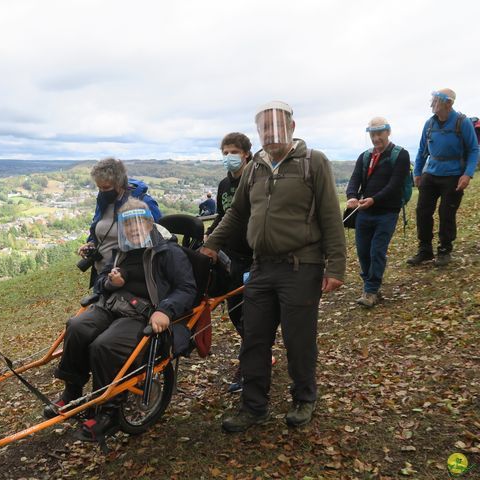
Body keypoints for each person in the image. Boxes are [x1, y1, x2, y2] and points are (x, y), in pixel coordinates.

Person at [201, 101, 346, 431]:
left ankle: (304, 398)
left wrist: (336, 267)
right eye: (265, 128)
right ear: (259, 133)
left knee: (299, 339)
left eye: (277, 126)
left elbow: (330, 216)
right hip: (261, 267)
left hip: (301, 265)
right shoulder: (255, 168)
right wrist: (211, 244)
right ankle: (253, 406)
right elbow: (236, 214)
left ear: (292, 128)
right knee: (254, 337)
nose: (271, 133)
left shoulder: (313, 162)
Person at [46, 199, 197, 440]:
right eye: (128, 225)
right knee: (76, 327)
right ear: (122, 228)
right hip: (112, 304)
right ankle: (72, 393)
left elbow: (187, 289)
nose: (134, 229)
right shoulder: (120, 251)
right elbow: (101, 280)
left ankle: (109, 414)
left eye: (139, 223)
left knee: (104, 346)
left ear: (149, 223)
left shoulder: (168, 252)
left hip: (144, 313)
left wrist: (166, 310)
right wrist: (109, 282)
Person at [204, 132, 254, 393]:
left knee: (251, 314)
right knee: (235, 311)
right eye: (225, 153)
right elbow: (224, 215)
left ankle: (251, 364)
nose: (229, 157)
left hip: (254, 257)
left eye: (233, 152)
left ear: (246, 153)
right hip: (230, 256)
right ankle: (257, 353)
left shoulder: (255, 179)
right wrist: (210, 236)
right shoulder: (224, 185)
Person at [407, 88, 479, 267]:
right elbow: (422, 150)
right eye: (432, 100)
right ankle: (425, 250)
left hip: (454, 175)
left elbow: (474, 149)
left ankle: (445, 250)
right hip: (430, 173)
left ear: (449, 103)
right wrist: (417, 172)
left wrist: (467, 174)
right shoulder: (429, 124)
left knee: (446, 213)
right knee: (422, 212)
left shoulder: (462, 123)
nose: (432, 104)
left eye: (436, 100)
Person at [346, 117, 410, 307]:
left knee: (377, 251)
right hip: (364, 211)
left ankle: (371, 290)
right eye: (372, 134)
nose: (376, 138)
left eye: (379, 133)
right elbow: (355, 178)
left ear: (388, 132)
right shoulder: (365, 156)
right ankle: (371, 285)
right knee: (363, 252)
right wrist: (351, 196)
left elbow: (395, 184)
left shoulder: (401, 155)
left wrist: (374, 199)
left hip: (387, 212)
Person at [77, 157, 162, 286]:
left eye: (106, 187)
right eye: (99, 188)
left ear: (120, 183)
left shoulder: (142, 203)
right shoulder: (103, 201)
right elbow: (99, 225)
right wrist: (91, 243)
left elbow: (158, 236)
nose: (102, 192)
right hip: (102, 273)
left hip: (129, 275)